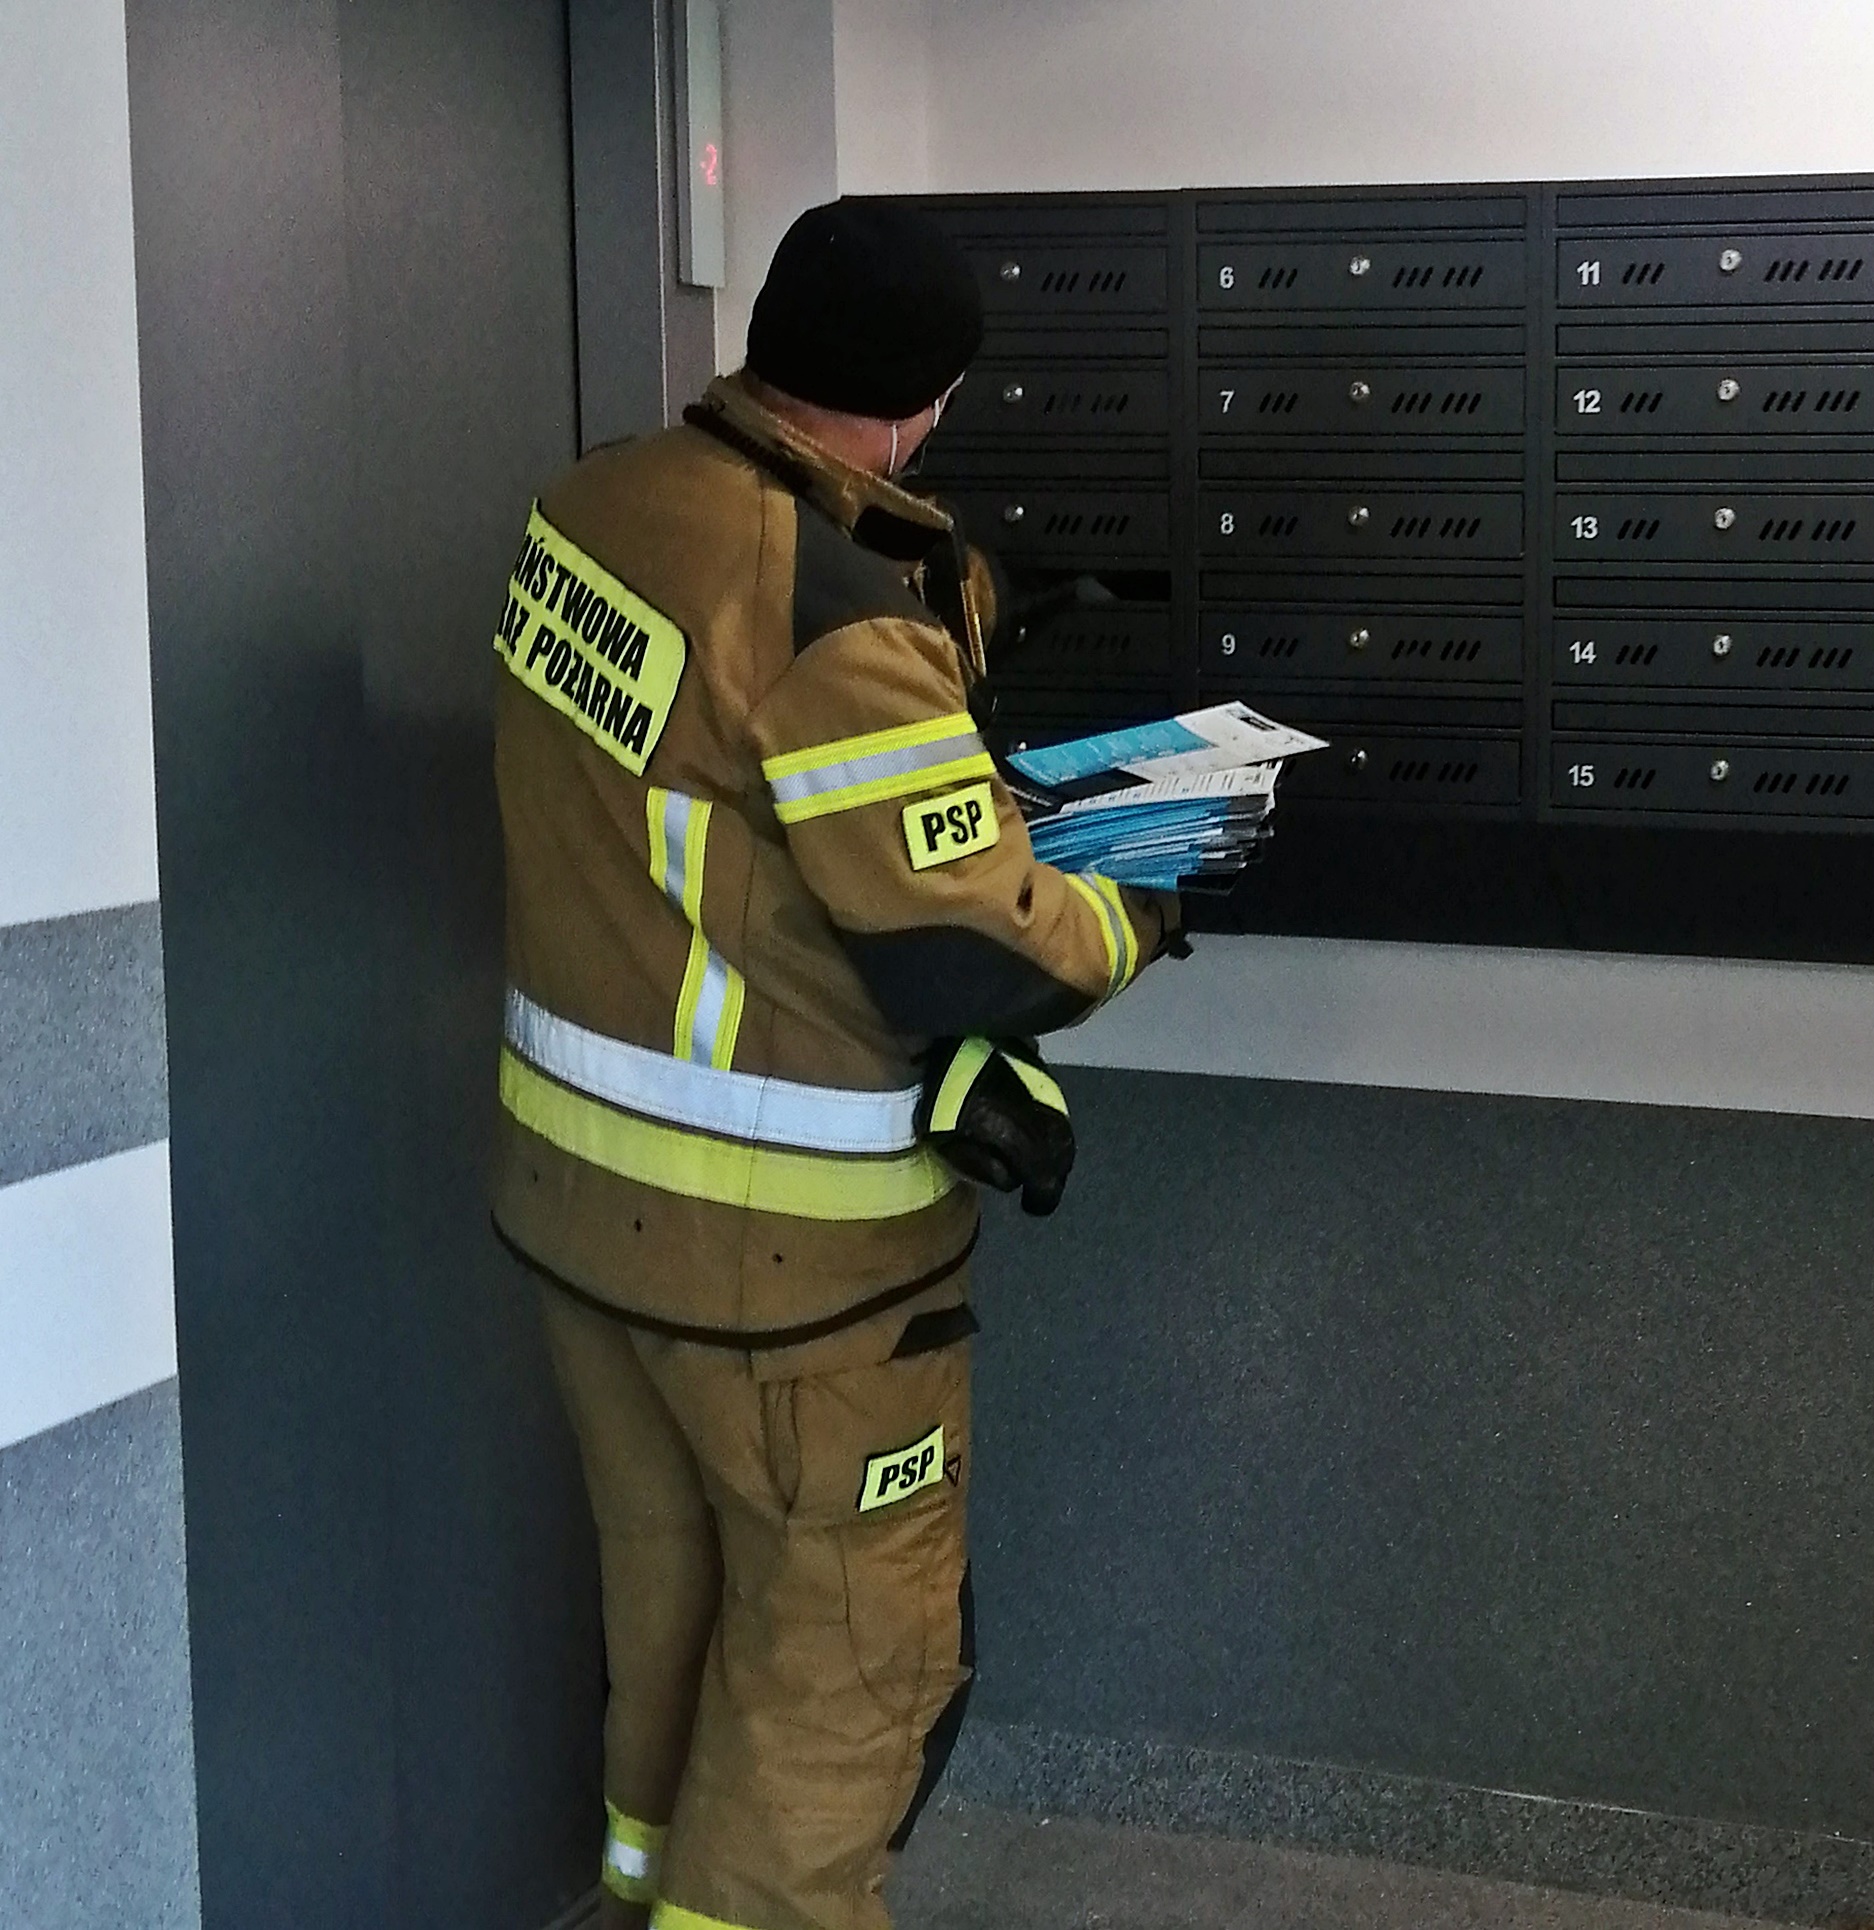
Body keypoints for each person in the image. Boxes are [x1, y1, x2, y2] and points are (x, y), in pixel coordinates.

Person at [486, 198, 1178, 1930]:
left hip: (580, 1217)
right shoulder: (829, 613)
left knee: (671, 1595)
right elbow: (978, 947)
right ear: (923, 401)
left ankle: (637, 1895)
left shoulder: (593, 506)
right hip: (790, 1275)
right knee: (847, 1668)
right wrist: (1142, 905)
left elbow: (714, 800)